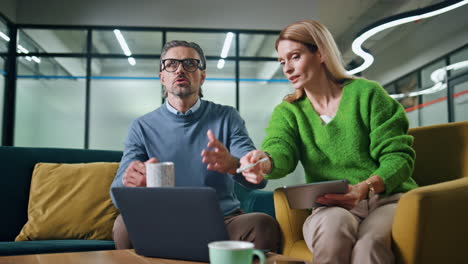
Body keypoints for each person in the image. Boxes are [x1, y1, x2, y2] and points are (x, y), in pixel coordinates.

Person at [239, 20, 418, 264]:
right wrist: (265, 161)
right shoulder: (289, 111)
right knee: (333, 231)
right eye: (282, 62)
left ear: (320, 53)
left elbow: (398, 156)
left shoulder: (368, 94)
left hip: (385, 199)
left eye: (295, 57)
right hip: (331, 207)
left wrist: (365, 187)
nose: (287, 69)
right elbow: (280, 150)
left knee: (369, 245)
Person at [110, 40, 279, 251]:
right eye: (171, 64)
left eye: (190, 63)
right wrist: (132, 184)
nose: (180, 69)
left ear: (203, 76)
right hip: (161, 223)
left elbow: (255, 175)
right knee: (123, 224)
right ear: (162, 76)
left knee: (262, 224)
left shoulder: (227, 117)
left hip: (222, 222)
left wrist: (234, 164)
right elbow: (116, 192)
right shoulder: (142, 126)